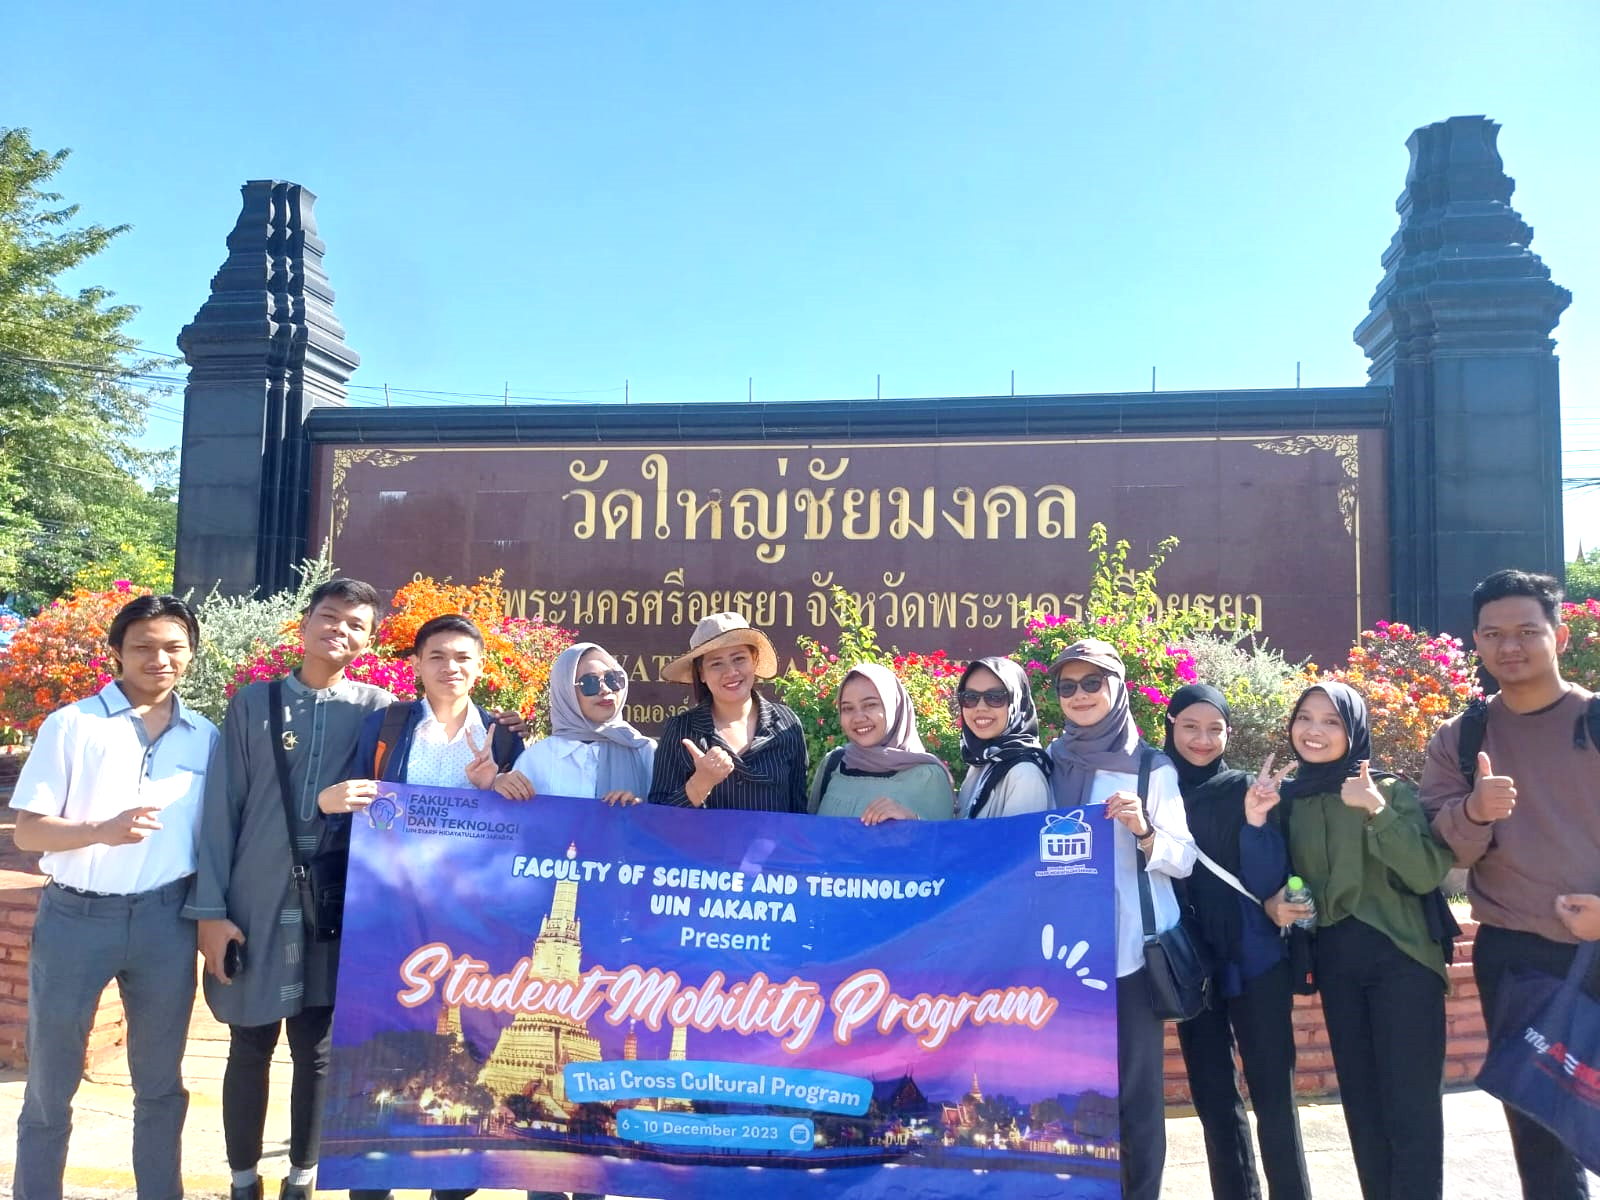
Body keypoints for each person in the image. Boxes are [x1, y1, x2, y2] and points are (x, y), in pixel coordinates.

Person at [183, 577, 392, 1200]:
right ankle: (243, 1179)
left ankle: (302, 1177)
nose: (341, 631)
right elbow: (222, 810)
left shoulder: (378, 710)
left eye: (356, 624)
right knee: (248, 1042)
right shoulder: (255, 703)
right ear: (304, 623)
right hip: (254, 894)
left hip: (331, 904)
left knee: (317, 1048)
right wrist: (210, 912)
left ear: (369, 640)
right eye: (330, 617)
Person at [11, 594, 219, 1200]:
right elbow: (27, 831)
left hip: (165, 921)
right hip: (78, 916)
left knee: (160, 1083)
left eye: (174, 647)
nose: (160, 658)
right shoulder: (74, 725)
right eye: (144, 646)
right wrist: (99, 830)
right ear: (117, 653)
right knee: (51, 1082)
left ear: (191, 653)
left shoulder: (205, 736)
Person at [329, 613, 524, 1200]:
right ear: (416, 665)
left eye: (463, 657)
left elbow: (521, 831)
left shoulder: (506, 737)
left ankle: (450, 1176)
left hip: (467, 918)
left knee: (463, 1039)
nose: (451, 668)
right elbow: (358, 796)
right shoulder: (386, 725)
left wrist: (494, 785)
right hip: (389, 911)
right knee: (384, 1038)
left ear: (481, 666)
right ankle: (372, 1175)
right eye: (437, 656)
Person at [1420, 568, 1600, 1200]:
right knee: (1540, 1136)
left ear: (1559, 632)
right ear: (1475, 640)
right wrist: (1476, 811)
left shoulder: (1593, 721)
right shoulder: (1462, 739)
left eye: (1527, 630)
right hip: (1518, 959)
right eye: (1493, 634)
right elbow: (1442, 848)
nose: (1510, 647)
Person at [1266, 682, 1454, 1200]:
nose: (1315, 731)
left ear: (1354, 730)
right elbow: (1274, 878)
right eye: (1306, 718)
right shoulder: (1291, 800)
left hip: (1402, 960)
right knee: (1363, 1106)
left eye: (1331, 721)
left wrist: (1376, 810)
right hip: (1337, 963)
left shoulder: (1387, 789)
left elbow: (1425, 873)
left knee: (1411, 1107)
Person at [1044, 638, 1196, 1200]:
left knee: (1135, 1094)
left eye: (1092, 683)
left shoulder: (1149, 767)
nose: (1080, 695)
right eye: (1067, 686)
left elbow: (1183, 857)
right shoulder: (1051, 761)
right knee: (1069, 1091)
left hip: (1128, 952)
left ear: (1118, 688)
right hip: (1060, 956)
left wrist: (1144, 831)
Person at [1164, 685, 1310, 1200]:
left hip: (1255, 959)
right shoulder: (1156, 789)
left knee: (1275, 1098)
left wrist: (1254, 819)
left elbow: (1268, 877)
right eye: (1190, 727)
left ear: (1228, 732)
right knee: (1215, 1101)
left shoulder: (1246, 787)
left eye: (1215, 729)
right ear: (1171, 724)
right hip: (1191, 966)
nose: (1203, 740)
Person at [648, 612, 807, 812]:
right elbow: (658, 817)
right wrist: (701, 782)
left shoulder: (786, 723)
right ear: (701, 673)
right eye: (716, 663)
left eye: (739, 659)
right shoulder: (681, 730)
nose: (731, 672)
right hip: (703, 844)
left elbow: (799, 811)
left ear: (754, 660)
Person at [496, 641, 656, 804]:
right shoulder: (536, 760)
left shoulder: (644, 751)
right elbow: (517, 822)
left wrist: (639, 810)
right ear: (566, 692)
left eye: (612, 679)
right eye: (590, 683)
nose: (606, 690)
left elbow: (665, 818)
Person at [809, 662, 955, 822]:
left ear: (894, 706)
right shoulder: (833, 763)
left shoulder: (929, 778)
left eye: (870, 705)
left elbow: (943, 842)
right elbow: (810, 836)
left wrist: (912, 822)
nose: (858, 718)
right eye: (847, 708)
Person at [953, 656, 1051, 818]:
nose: (980, 707)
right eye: (970, 698)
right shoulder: (983, 762)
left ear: (1017, 701)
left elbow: (1017, 842)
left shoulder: (1024, 774)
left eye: (995, 697)